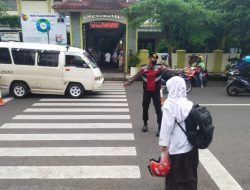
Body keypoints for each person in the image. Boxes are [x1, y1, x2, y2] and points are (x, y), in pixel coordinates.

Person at [159, 76, 199, 190]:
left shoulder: (169, 105)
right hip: (190, 146)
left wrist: (163, 146)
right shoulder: (189, 103)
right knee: (189, 175)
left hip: (176, 147)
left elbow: (166, 128)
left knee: (174, 177)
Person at [124, 52, 164, 137]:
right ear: (149, 58)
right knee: (145, 107)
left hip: (156, 92)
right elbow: (136, 76)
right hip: (147, 92)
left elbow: (170, 71)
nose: (154, 60)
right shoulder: (143, 68)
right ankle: (145, 124)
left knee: (158, 110)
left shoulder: (160, 67)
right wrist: (129, 82)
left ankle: (160, 127)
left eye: (156, 59)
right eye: (153, 59)